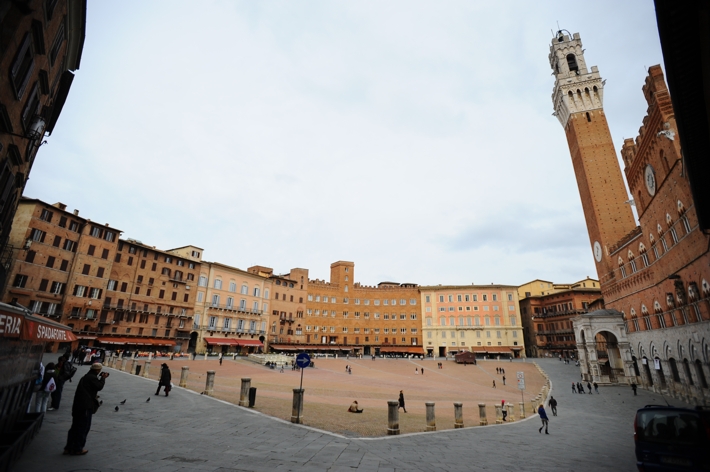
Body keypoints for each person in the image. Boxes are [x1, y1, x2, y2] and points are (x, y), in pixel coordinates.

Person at [64, 363, 108, 455]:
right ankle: (78, 448)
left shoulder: (85, 377)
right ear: (97, 370)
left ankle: (69, 447)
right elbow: (99, 386)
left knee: (75, 427)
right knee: (83, 427)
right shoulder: (92, 378)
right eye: (99, 370)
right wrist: (103, 378)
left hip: (78, 405)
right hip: (85, 406)